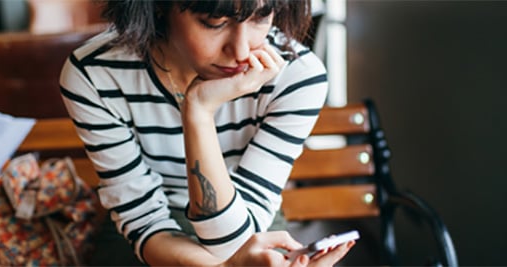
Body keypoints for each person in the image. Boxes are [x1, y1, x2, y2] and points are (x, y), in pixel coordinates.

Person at [59, 0, 355, 266]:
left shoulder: (296, 76)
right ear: (159, 7)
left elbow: (235, 241)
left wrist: (199, 111)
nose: (241, 51)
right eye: (215, 23)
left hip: (248, 220)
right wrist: (198, 110)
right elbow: (144, 222)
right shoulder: (94, 74)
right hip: (148, 239)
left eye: (260, 18)